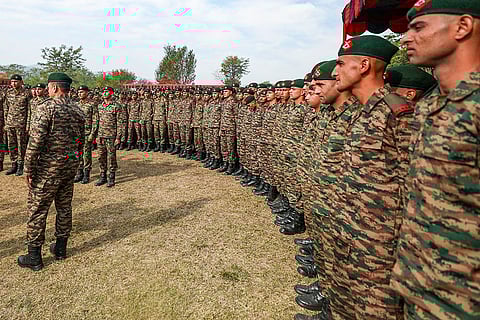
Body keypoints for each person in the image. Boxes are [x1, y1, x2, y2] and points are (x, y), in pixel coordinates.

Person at [391, 1, 480, 319]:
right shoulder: (431, 105)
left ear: (462, 27)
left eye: (419, 27)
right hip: (420, 286)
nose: (405, 39)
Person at [17, 72, 85, 271]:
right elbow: (80, 141)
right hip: (69, 166)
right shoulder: (78, 109)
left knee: (38, 210)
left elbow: (35, 141)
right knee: (64, 207)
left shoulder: (46, 107)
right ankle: (61, 249)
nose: (46, 90)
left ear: (54, 88)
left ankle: (34, 256)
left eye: (48, 87)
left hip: (48, 169)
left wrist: (28, 168)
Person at [4, 74, 30, 176]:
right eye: (12, 82)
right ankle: (13, 164)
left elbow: (29, 110)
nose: (14, 84)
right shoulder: (8, 93)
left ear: (21, 82)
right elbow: (6, 108)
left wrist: (28, 125)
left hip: (21, 124)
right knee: (11, 145)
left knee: (21, 146)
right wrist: (6, 123)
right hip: (10, 123)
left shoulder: (26, 94)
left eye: (16, 82)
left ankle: (21, 165)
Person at [95, 87, 121, 188]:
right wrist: (96, 135)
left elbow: (120, 122)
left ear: (111, 93)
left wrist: (118, 137)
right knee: (101, 157)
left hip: (111, 136)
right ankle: (102, 176)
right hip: (101, 135)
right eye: (103, 92)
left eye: (107, 92)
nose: (104, 93)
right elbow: (97, 121)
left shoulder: (116, 106)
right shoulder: (100, 106)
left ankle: (111, 176)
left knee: (111, 157)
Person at [74, 85, 99, 184]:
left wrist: (93, 134)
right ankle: (79, 172)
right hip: (77, 133)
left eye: (82, 92)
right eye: (79, 92)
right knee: (78, 153)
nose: (80, 94)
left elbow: (95, 120)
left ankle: (86, 174)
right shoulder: (76, 104)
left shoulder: (92, 104)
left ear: (87, 93)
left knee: (86, 154)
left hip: (87, 132)